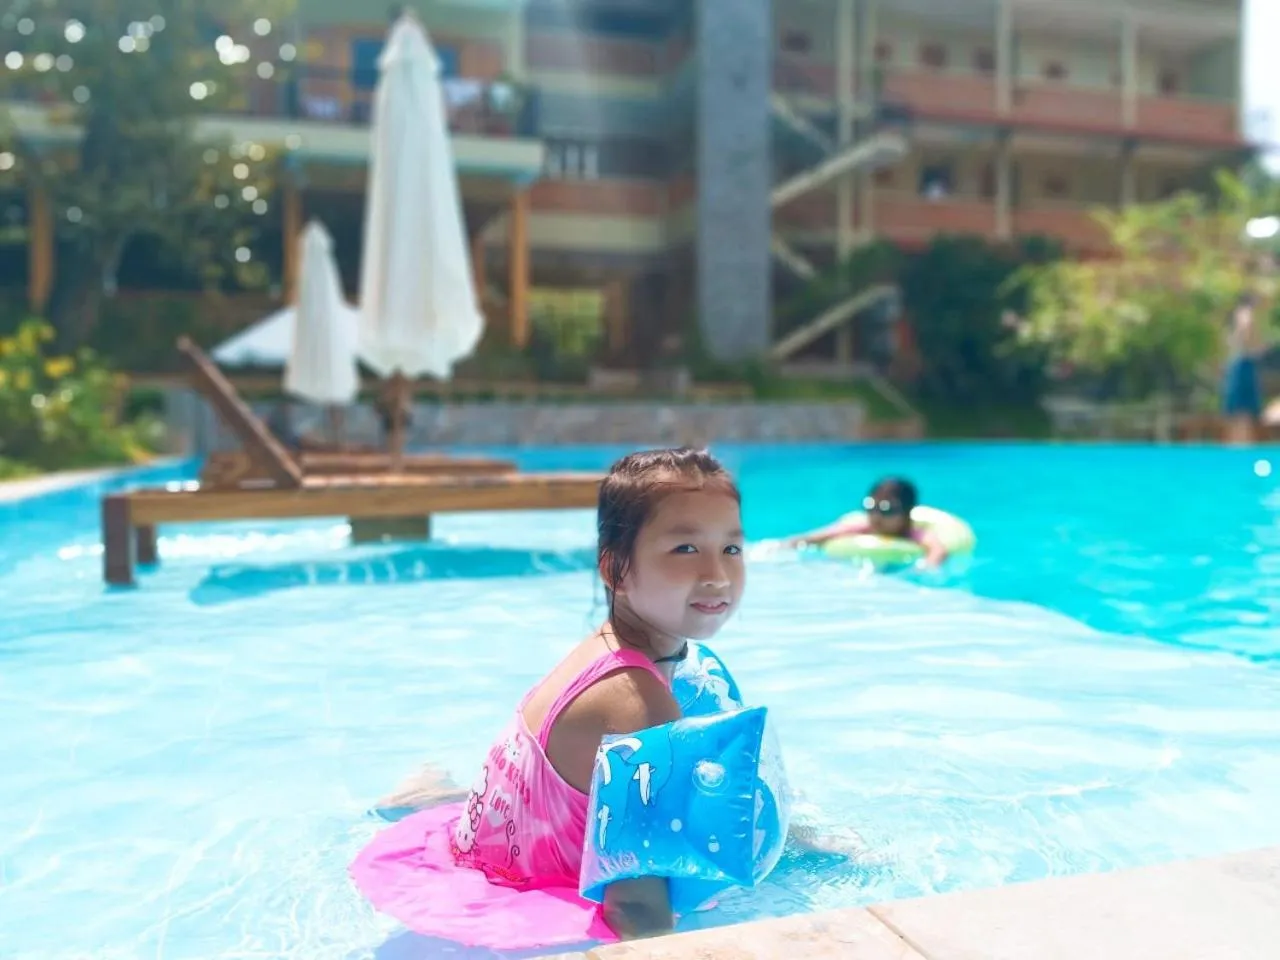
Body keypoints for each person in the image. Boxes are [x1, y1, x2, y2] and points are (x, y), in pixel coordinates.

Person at [351, 447, 746, 944]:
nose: (717, 574)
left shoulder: (601, 653)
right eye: (685, 549)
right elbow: (638, 907)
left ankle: (427, 794)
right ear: (617, 571)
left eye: (731, 549)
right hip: (529, 895)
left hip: (494, 844)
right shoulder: (640, 707)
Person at [786, 476, 948, 568]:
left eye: (887, 509)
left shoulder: (913, 534)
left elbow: (937, 549)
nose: (876, 516)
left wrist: (927, 568)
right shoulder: (863, 528)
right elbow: (821, 536)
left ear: (906, 513)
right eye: (870, 506)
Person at [1222, 293, 1264, 445]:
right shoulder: (1246, 313)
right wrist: (1253, 346)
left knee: (1240, 409)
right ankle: (1241, 444)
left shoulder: (1241, 314)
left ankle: (1240, 443)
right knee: (1242, 408)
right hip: (1243, 362)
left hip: (1240, 361)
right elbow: (1245, 330)